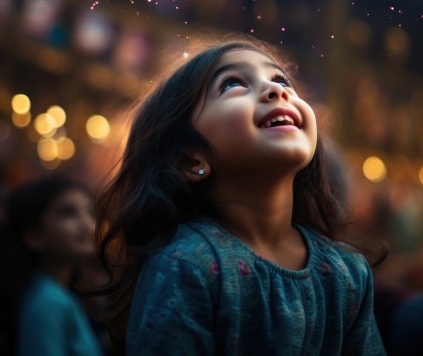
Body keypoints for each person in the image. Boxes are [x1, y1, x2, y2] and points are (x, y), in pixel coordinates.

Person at [96, 37, 386, 355]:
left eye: (280, 79)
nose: (278, 91)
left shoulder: (349, 273)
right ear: (190, 159)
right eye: (233, 84)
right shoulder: (186, 266)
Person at [0, 175, 104, 356]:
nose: (87, 223)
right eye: (68, 213)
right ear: (34, 236)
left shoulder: (53, 294)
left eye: (90, 212)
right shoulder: (48, 302)